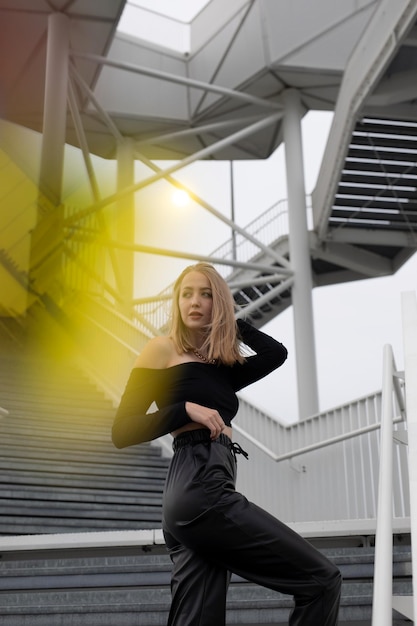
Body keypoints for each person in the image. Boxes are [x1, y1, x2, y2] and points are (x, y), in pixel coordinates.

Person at [112, 262, 341, 626]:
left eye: (206, 294)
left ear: (219, 303)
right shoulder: (161, 350)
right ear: (176, 301)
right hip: (197, 481)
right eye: (186, 294)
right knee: (322, 580)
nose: (195, 302)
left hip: (209, 480)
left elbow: (274, 354)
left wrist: (228, 321)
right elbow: (121, 431)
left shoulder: (221, 367)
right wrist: (184, 409)